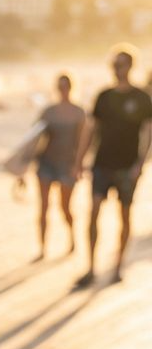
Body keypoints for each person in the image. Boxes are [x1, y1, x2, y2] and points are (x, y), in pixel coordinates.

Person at [73, 46, 152, 287]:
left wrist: (140, 163)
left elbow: (148, 132)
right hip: (101, 164)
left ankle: (118, 266)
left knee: (124, 215)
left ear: (130, 66)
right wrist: (79, 161)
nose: (117, 69)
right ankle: (91, 267)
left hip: (127, 167)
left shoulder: (142, 98)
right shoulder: (104, 96)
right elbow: (90, 129)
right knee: (93, 212)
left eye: (121, 65)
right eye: (114, 65)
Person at [32, 72, 86, 259]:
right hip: (46, 163)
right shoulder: (48, 112)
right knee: (43, 207)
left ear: (71, 88)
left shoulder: (79, 112)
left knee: (65, 207)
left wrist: (78, 165)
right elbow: (34, 139)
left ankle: (72, 239)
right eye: (60, 87)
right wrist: (22, 166)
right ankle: (42, 249)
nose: (63, 90)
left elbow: (83, 142)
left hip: (67, 165)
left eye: (66, 86)